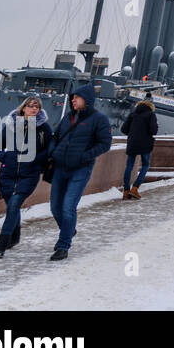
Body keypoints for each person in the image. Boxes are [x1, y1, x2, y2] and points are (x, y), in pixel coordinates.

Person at [48, 83, 112, 261]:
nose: (73, 100)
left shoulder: (99, 119)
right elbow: (56, 136)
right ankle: (69, 230)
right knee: (55, 207)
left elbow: (105, 143)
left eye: (77, 97)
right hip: (60, 168)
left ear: (87, 100)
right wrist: (53, 152)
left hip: (80, 169)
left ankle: (63, 246)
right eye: (72, 97)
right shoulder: (68, 117)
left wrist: (85, 157)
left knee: (68, 207)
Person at [0, 96, 53, 258]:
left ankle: (0, 246)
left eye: (37, 107)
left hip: (29, 175)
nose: (34, 109)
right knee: (12, 206)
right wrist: (5, 158)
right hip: (7, 174)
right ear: (23, 108)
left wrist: (36, 160)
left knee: (13, 206)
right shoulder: (11, 125)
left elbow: (49, 149)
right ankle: (15, 237)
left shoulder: (43, 128)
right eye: (31, 106)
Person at [120, 98, 157, 200]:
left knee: (129, 166)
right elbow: (153, 130)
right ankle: (135, 188)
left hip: (132, 143)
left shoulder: (133, 114)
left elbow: (123, 129)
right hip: (145, 144)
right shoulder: (151, 115)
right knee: (145, 165)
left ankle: (126, 191)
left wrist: (133, 134)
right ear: (151, 106)